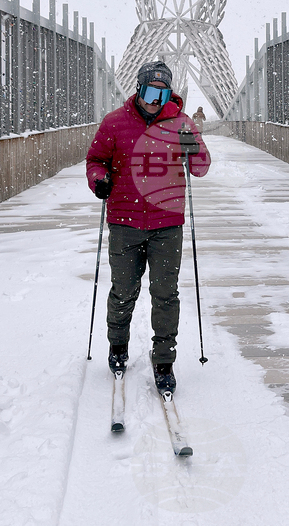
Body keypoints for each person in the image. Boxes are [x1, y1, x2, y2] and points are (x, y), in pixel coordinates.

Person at [86, 60, 210, 392]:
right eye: (151, 90)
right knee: (123, 291)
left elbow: (200, 168)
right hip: (124, 221)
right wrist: (99, 180)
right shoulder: (115, 123)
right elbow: (96, 160)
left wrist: (193, 148)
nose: (156, 98)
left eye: (163, 92)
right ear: (139, 88)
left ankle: (164, 361)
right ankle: (117, 345)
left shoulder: (182, 124)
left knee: (165, 294)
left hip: (167, 224)